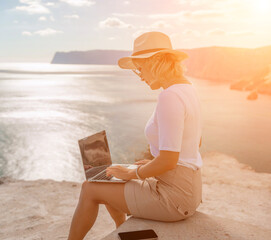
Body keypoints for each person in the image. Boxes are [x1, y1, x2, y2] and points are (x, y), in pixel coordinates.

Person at [67, 31, 203, 240]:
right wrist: (150, 164)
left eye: (140, 68)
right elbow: (195, 143)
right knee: (110, 175)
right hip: (186, 189)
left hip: (173, 197)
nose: (139, 76)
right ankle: (125, 230)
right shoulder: (187, 89)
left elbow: (169, 159)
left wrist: (134, 173)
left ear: (156, 62)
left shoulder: (169, 96)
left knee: (90, 188)